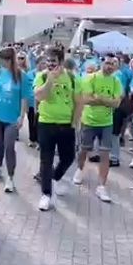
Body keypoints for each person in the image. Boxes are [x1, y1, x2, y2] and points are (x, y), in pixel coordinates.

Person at [34, 47, 80, 211]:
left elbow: (78, 102)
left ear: (60, 61)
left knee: (68, 157)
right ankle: (46, 194)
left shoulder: (73, 78)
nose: (50, 64)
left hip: (66, 124)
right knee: (46, 160)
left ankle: (55, 176)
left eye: (53, 61)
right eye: (48, 60)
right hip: (46, 122)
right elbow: (40, 96)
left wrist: (75, 122)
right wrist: (50, 81)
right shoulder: (43, 76)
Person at [75, 54, 123, 202]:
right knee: (84, 149)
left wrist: (100, 98)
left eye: (112, 64)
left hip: (106, 123)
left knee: (105, 154)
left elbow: (117, 103)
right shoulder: (90, 78)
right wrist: (107, 101)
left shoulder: (116, 81)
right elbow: (87, 99)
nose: (109, 66)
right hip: (89, 121)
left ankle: (101, 186)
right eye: (107, 63)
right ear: (101, 63)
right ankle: (80, 169)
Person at [0, 47, 28, 193]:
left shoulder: (21, 75)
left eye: (3, 60)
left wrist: (22, 116)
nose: (1, 63)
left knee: (9, 146)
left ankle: (11, 178)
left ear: (9, 60)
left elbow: (24, 97)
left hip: (12, 118)